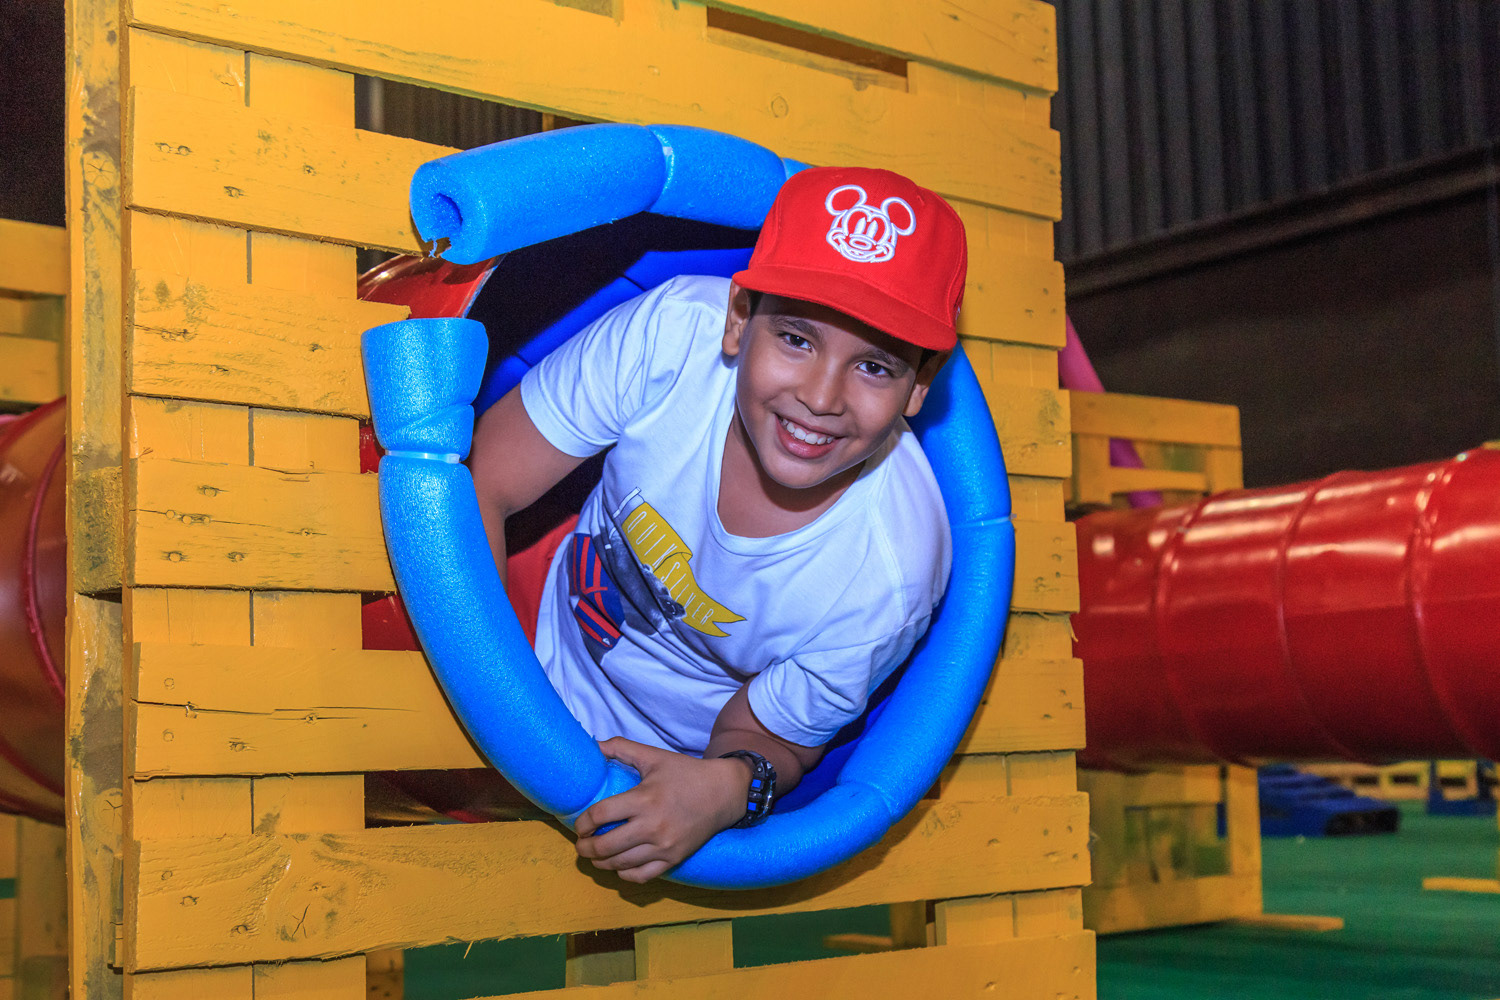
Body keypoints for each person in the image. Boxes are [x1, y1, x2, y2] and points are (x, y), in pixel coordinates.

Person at [469, 165, 967, 883]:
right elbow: (484, 484)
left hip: (657, 767)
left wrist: (729, 787)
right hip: (523, 628)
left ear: (920, 385)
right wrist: (507, 704)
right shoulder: (671, 338)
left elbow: (768, 738)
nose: (821, 397)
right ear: (739, 319)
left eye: (875, 368)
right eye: (796, 339)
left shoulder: (892, 569)